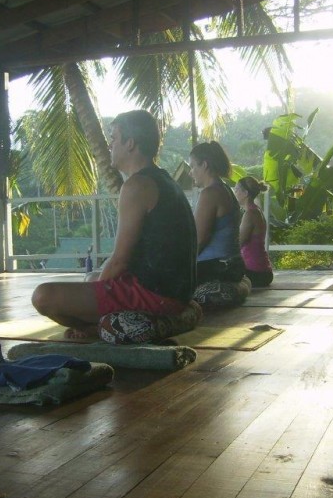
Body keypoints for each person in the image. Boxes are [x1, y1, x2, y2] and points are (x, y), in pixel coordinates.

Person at [31, 110, 197, 338]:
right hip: (174, 291)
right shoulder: (163, 180)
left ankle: (94, 331)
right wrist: (95, 282)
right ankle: (96, 328)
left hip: (156, 296)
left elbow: (119, 261)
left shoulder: (137, 186)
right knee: (91, 278)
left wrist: (97, 285)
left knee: (43, 296)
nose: (110, 146)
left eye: (114, 139)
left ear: (130, 144)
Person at [188, 141, 245, 284]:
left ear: (205, 165)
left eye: (193, 166)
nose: (190, 172)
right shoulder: (225, 189)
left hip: (216, 269)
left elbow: (199, 240)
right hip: (232, 265)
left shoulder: (210, 194)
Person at [234, 176, 274, 287]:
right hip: (263, 271)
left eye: (236, 189)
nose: (235, 192)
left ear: (245, 193)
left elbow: (238, 243)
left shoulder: (250, 214)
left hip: (255, 273)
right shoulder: (256, 210)